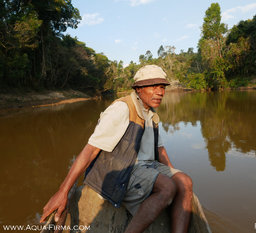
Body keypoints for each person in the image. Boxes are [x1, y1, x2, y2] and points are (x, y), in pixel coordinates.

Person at [40, 65, 193, 233]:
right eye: (153, 86)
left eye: (162, 87)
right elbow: (90, 150)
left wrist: (171, 172)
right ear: (139, 89)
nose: (160, 92)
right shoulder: (122, 108)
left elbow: (160, 149)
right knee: (168, 187)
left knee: (185, 181)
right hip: (121, 169)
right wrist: (63, 191)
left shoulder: (151, 114)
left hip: (146, 167)